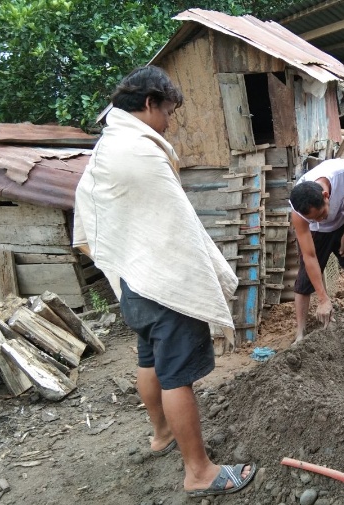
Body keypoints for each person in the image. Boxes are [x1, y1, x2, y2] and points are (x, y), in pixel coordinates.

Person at [73, 66, 256, 496]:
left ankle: (161, 434)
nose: (169, 121)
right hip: (162, 281)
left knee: (149, 360)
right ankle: (199, 472)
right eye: (168, 111)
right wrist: (208, 276)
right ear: (151, 103)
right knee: (178, 375)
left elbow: (91, 217)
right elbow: (180, 228)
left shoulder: (107, 148)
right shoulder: (139, 151)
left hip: (133, 279)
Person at [290, 158, 344, 342]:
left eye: (320, 214)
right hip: (317, 236)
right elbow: (309, 256)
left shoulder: (343, 172)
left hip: (342, 223)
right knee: (304, 281)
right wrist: (323, 298)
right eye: (313, 219)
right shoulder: (299, 212)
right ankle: (300, 333)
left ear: (326, 196)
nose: (319, 220)